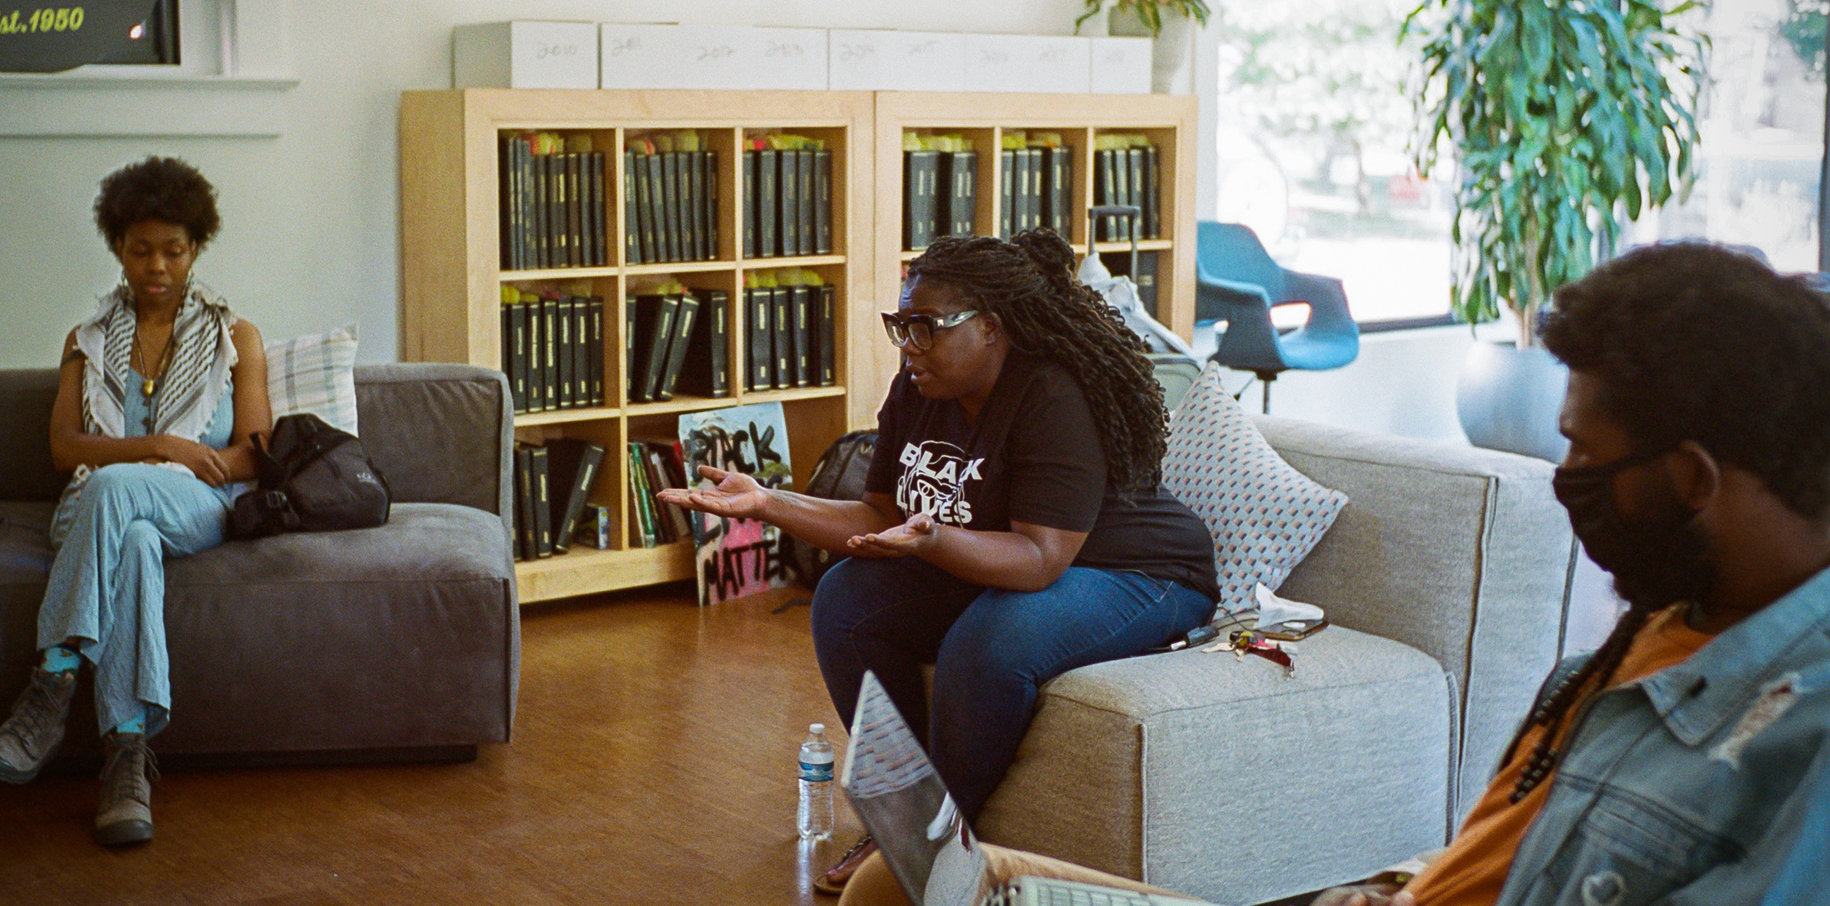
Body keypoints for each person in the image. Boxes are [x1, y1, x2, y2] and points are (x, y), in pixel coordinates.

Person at [840, 241, 1830, 905]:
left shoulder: (1799, 744)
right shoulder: (1661, 628)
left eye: (1579, 456)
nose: (1563, 481)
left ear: (1693, 480)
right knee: (904, 888)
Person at [659, 229, 1219, 894]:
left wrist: (934, 543)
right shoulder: (917, 387)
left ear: (991, 326)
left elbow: (1039, 559)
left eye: (927, 327)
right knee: (846, 600)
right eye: (902, 326)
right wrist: (767, 502)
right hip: (1008, 559)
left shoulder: (1050, 394)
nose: (910, 345)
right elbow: (877, 518)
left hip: (1140, 575)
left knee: (990, 638)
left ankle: (939, 842)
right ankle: (906, 814)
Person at [0, 156, 271, 848]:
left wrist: (189, 462)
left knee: (118, 494)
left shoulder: (235, 337)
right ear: (118, 248)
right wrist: (158, 447)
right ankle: (127, 760)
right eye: (141, 249)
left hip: (196, 503)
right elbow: (65, 452)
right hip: (95, 509)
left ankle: (53, 678)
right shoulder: (87, 340)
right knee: (128, 534)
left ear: (195, 249)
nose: (157, 264)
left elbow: (254, 454)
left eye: (173, 249)